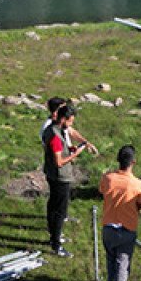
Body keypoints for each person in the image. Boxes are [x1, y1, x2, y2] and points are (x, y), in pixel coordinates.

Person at [99, 144, 141, 281]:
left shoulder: (107, 178)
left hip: (108, 227)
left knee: (111, 260)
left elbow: (103, 192)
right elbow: (140, 205)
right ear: (133, 162)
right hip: (127, 229)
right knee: (123, 264)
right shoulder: (139, 185)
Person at [42, 104, 87, 257]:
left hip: (51, 174)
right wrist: (76, 154)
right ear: (63, 119)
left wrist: (70, 149)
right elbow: (59, 162)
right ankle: (56, 243)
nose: (71, 124)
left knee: (53, 204)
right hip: (60, 177)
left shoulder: (54, 130)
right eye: (70, 121)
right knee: (59, 211)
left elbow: (58, 151)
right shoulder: (55, 136)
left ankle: (53, 234)